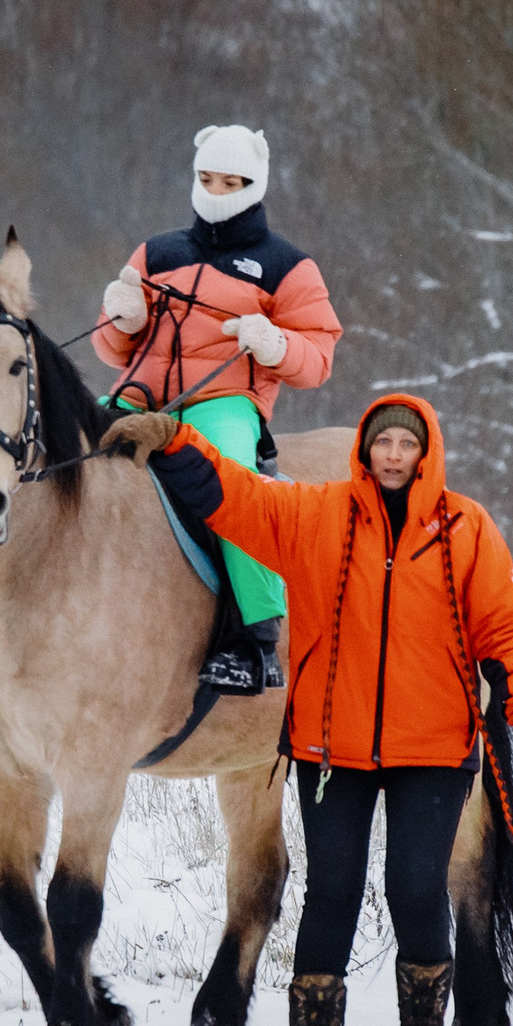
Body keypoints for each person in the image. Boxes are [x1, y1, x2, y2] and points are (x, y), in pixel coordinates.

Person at [107, 394, 513, 1026]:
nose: (393, 455)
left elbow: (506, 627)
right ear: (366, 451)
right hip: (332, 749)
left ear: (426, 452)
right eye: (383, 443)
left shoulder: (465, 528)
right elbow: (238, 501)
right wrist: (175, 440)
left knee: (414, 886)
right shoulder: (318, 514)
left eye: (407, 444)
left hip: (433, 748)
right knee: (332, 891)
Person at [93, 124, 343, 694]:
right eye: (207, 178)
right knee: (61, 456)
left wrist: (276, 344)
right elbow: (111, 349)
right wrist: (122, 321)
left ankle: (254, 639)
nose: (216, 190)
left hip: (221, 401)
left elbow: (318, 358)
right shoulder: (157, 251)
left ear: (255, 184)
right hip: (137, 397)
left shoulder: (288, 265)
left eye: (231, 181)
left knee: (234, 487)